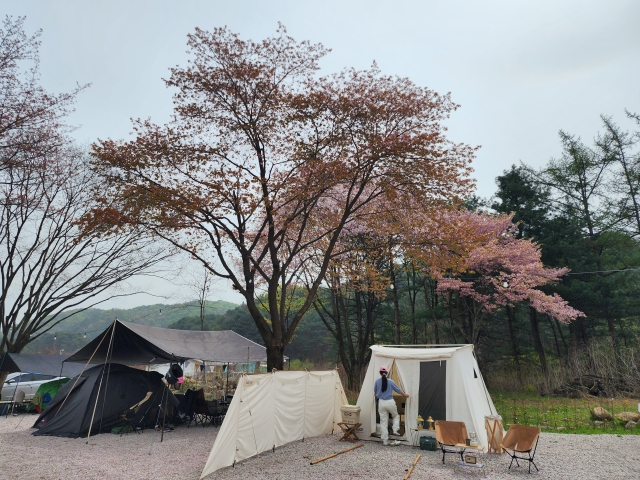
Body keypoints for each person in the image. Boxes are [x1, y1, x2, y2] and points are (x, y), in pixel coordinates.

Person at [374, 365, 409, 446]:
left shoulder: (377, 382)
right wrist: (405, 395)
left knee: (383, 422)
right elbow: (398, 390)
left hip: (381, 402)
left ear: (380, 373)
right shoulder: (390, 381)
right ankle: (395, 430)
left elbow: (375, 392)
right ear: (387, 373)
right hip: (390, 401)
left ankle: (385, 441)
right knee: (395, 416)